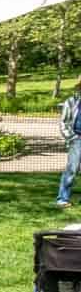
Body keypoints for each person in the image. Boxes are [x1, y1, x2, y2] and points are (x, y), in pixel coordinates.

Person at [58, 79, 81, 210]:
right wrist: (71, 137)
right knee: (72, 169)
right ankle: (62, 199)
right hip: (77, 138)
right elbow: (64, 122)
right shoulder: (71, 101)